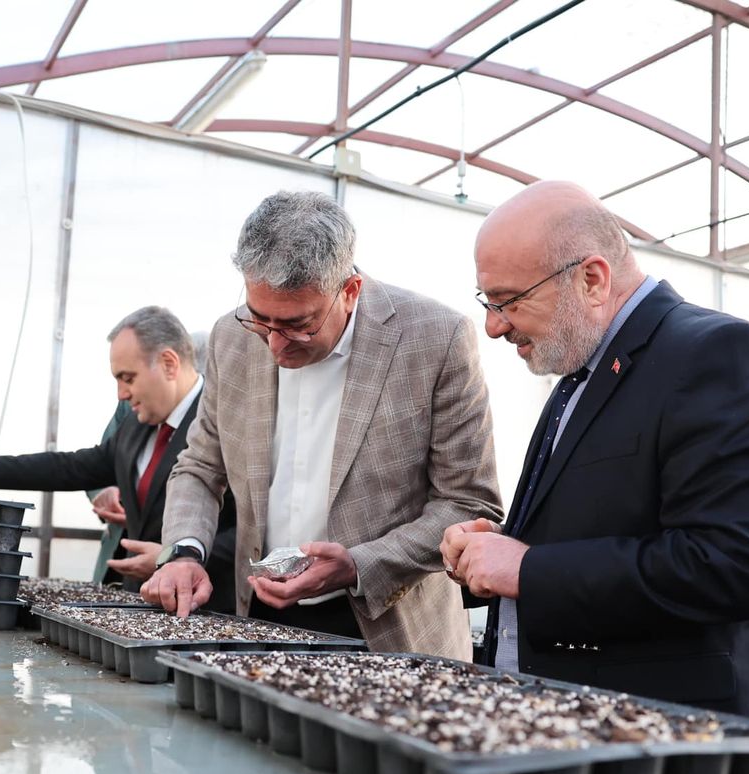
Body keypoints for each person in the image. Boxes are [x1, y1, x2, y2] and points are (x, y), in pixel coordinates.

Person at [441, 180, 749, 725]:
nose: (493, 326)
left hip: (677, 745)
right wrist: (496, 554)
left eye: (509, 301)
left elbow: (735, 565)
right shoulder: (579, 375)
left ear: (592, 278)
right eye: (487, 303)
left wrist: (530, 568)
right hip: (588, 728)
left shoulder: (719, 354)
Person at [143, 190, 501, 657]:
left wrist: (357, 565)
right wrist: (184, 553)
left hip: (387, 632)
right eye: (260, 320)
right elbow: (199, 467)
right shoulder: (230, 339)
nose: (274, 345)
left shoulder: (435, 339)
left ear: (349, 292)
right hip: (262, 622)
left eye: (298, 325)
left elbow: (467, 502)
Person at [0, 306, 235, 606]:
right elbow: (71, 467)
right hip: (139, 606)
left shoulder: (228, 424)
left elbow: (252, 534)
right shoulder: (135, 427)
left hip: (204, 611)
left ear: (169, 364)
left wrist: (179, 557)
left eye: (128, 378)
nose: (121, 394)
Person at [86, 401, 131, 584]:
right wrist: (105, 496)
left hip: (169, 564)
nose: (123, 392)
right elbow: (98, 467)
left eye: (128, 378)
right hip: (117, 549)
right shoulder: (128, 405)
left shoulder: (211, 400)